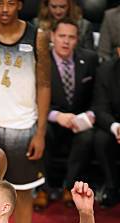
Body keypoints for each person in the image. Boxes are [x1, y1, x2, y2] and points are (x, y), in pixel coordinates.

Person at [0, 0, 51, 223]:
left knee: (23, 193)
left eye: (10, 3)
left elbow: (44, 85)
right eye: (0, 3)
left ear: (20, 5)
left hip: (23, 126)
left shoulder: (38, 37)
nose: (4, 9)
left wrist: (40, 133)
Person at [34, 18, 98, 209]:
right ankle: (43, 189)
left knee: (88, 137)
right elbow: (31, 100)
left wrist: (89, 115)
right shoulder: (41, 61)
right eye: (62, 36)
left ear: (77, 39)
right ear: (52, 36)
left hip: (79, 121)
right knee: (41, 133)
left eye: (71, 37)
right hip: (50, 119)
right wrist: (56, 116)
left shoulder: (90, 59)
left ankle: (70, 188)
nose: (66, 41)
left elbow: (98, 94)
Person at [93, 49, 120, 209]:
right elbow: (100, 107)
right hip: (114, 123)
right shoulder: (106, 70)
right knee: (100, 139)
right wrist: (115, 127)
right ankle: (112, 187)